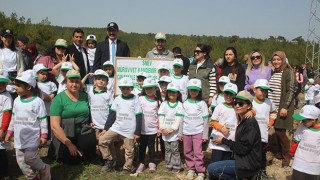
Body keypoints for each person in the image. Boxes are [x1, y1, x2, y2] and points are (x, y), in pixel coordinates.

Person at [5, 70, 50, 179]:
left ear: (28, 87)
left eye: (18, 85)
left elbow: (43, 119)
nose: (15, 88)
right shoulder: (16, 101)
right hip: (19, 138)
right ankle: (32, 177)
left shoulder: (38, 102)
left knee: (30, 158)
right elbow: (13, 118)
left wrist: (44, 135)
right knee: (20, 161)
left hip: (32, 137)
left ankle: (44, 168)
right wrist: (10, 132)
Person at [208, 90, 262, 180]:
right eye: (235, 103)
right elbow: (212, 121)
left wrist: (223, 140)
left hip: (247, 164)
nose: (237, 106)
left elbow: (242, 149)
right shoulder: (242, 118)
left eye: (241, 104)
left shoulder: (250, 124)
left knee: (212, 169)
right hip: (241, 160)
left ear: (249, 106)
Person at [50, 70, 96, 164]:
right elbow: (54, 126)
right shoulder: (58, 99)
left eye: (77, 81)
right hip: (66, 132)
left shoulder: (85, 96)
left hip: (83, 130)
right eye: (71, 81)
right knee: (71, 160)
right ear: (65, 82)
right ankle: (77, 151)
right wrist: (69, 144)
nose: (74, 84)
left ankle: (83, 150)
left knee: (90, 142)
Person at [99, 77, 142, 175]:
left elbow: (139, 116)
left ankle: (127, 167)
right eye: (123, 88)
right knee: (102, 140)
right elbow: (112, 114)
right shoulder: (117, 99)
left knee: (129, 150)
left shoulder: (135, 98)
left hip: (129, 129)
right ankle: (110, 160)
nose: (125, 90)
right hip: (117, 127)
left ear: (131, 88)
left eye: (127, 88)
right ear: (120, 88)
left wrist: (137, 132)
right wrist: (106, 129)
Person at [268, 51, 295, 169]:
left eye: (278, 59)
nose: (276, 62)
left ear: (283, 60)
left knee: (281, 132)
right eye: (274, 60)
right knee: (277, 130)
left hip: (282, 107)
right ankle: (279, 154)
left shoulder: (288, 72)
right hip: (273, 107)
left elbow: (291, 90)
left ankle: (286, 158)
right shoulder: (274, 72)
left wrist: (285, 106)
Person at [81, 69, 113, 158]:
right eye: (98, 79)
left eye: (103, 80)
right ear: (94, 81)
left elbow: (111, 109)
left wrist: (108, 125)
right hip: (95, 124)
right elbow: (80, 85)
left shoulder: (109, 93)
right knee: (97, 142)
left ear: (107, 82)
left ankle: (110, 159)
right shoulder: (89, 90)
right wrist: (87, 75)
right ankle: (100, 157)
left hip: (105, 124)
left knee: (107, 143)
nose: (101, 81)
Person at [183, 79, 209, 180]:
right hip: (186, 132)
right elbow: (181, 119)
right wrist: (181, 133)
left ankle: (201, 171)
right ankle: (191, 169)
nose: (193, 92)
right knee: (187, 151)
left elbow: (206, 119)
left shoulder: (202, 103)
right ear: (188, 90)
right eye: (191, 89)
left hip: (198, 132)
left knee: (198, 152)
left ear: (199, 91)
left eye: (196, 90)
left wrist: (205, 134)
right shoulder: (185, 103)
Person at [136, 78, 162, 173]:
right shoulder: (140, 99)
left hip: (153, 129)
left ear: (155, 89)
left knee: (151, 146)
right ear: (144, 89)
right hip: (142, 129)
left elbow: (159, 116)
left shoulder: (158, 101)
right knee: (142, 147)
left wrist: (159, 129)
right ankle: (141, 162)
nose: (149, 90)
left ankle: (151, 162)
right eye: (147, 88)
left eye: (151, 88)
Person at [252, 79, 277, 178]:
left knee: (262, 154)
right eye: (261, 90)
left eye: (265, 91)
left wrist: (271, 122)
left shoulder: (269, 102)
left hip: (263, 134)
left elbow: (273, 112)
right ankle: (251, 171)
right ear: (254, 90)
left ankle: (262, 171)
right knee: (251, 153)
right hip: (251, 134)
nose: (264, 93)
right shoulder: (250, 101)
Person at [209, 83, 238, 163]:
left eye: (231, 94)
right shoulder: (219, 107)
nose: (228, 96)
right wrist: (221, 128)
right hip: (217, 141)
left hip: (230, 141)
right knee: (215, 162)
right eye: (226, 94)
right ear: (223, 93)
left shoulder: (237, 108)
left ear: (235, 95)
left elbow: (251, 110)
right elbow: (213, 121)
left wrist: (252, 112)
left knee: (226, 164)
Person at [158, 82, 184, 172]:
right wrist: (163, 128)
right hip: (165, 132)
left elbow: (178, 118)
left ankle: (177, 165)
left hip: (174, 133)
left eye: (174, 92)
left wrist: (172, 129)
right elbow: (161, 117)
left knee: (175, 149)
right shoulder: (164, 104)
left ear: (178, 94)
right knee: (167, 149)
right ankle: (169, 164)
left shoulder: (180, 105)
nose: (172, 94)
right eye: (170, 92)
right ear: (167, 93)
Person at [290, 105, 320, 180]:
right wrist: (291, 153)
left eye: (304, 120)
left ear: (313, 120)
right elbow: (295, 141)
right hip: (300, 162)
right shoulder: (302, 128)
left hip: (314, 165)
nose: (302, 122)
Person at [33, 64, 57, 139]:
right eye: (42, 73)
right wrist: (44, 97)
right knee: (41, 122)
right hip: (39, 109)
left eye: (46, 74)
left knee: (49, 122)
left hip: (49, 108)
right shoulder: (35, 85)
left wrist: (51, 96)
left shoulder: (51, 83)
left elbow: (54, 92)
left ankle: (49, 137)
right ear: (36, 74)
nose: (44, 76)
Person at [0, 70, 12, 179]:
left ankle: (5, 174)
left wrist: (3, 130)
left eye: (3, 83)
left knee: (1, 154)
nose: (1, 86)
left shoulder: (7, 97)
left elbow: (7, 115)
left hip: (0, 130)